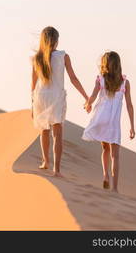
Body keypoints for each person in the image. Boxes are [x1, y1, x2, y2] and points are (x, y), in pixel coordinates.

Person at [31, 26, 88, 177]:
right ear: (56, 41)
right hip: (56, 96)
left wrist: (32, 105)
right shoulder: (63, 56)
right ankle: (56, 169)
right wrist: (86, 96)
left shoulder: (37, 58)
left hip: (41, 95)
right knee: (57, 134)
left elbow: (33, 83)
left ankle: (45, 161)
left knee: (44, 130)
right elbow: (73, 79)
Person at [82, 51, 135, 192]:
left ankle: (105, 175)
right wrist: (132, 126)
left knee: (105, 149)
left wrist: (88, 104)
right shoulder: (125, 83)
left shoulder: (101, 80)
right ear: (118, 65)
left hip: (101, 118)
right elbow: (129, 105)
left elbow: (93, 95)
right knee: (115, 156)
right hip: (113, 123)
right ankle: (115, 188)